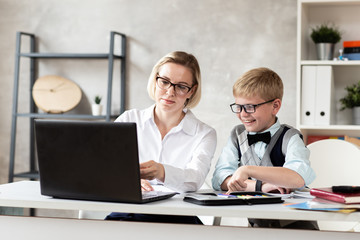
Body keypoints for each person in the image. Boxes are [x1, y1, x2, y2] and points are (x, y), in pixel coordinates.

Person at [105, 51, 217, 224]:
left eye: (181, 86)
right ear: (155, 80)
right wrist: (128, 181)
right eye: (164, 82)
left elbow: (195, 178)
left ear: (191, 91)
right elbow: (104, 166)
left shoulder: (204, 133)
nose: (170, 92)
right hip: (129, 214)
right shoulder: (129, 119)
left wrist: (162, 171)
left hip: (178, 219)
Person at [212, 67, 318, 229]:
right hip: (258, 227)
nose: (242, 114)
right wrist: (260, 186)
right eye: (238, 107)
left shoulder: (290, 137)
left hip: (297, 227)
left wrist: (248, 171)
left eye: (249, 107)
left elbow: (297, 177)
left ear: (275, 106)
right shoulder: (237, 135)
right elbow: (220, 178)